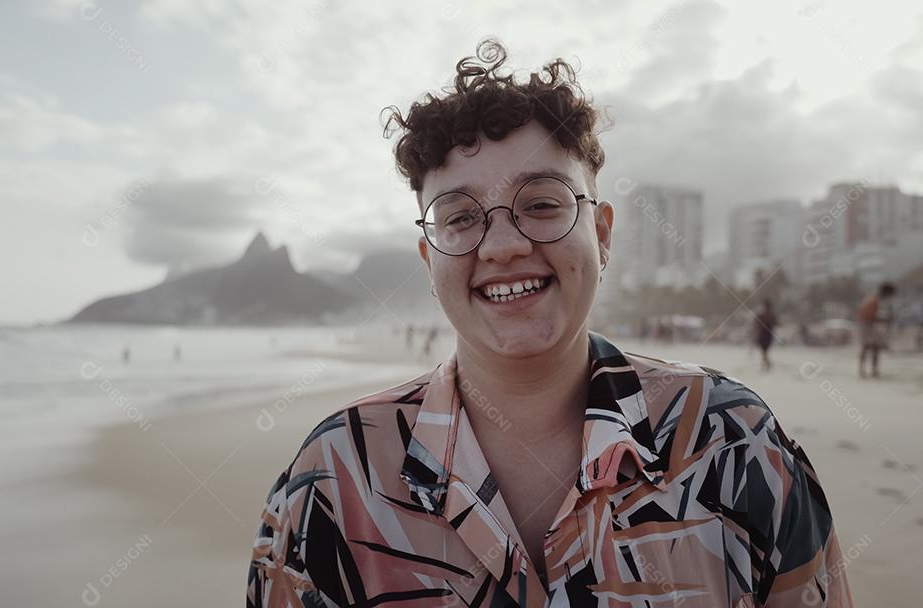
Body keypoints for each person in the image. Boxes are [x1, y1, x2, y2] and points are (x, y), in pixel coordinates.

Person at [247, 40, 853, 607]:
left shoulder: (732, 442)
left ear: (603, 233)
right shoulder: (334, 478)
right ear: (431, 260)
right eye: (460, 218)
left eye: (541, 203)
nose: (503, 245)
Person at [858, 282, 896, 378]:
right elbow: (869, 314)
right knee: (868, 347)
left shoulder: (875, 299)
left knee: (873, 348)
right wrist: (883, 319)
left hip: (871, 325)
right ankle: (865, 370)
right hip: (868, 325)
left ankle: (870, 370)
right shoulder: (873, 300)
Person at [753, 299, 778, 371]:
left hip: (764, 335)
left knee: (764, 351)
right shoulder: (770, 315)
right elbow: (776, 323)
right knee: (764, 351)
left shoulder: (762, 315)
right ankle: (766, 364)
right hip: (767, 335)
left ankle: (766, 364)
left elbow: (756, 323)